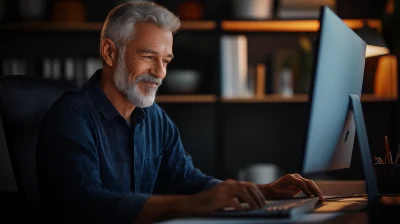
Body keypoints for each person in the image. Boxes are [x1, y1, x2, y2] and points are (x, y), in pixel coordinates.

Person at [35, 2, 325, 224]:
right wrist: (193, 204)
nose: (160, 73)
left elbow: (190, 182)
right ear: (110, 52)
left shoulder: (154, 117)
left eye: (166, 60)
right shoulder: (71, 115)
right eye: (148, 57)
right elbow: (87, 205)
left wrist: (263, 192)